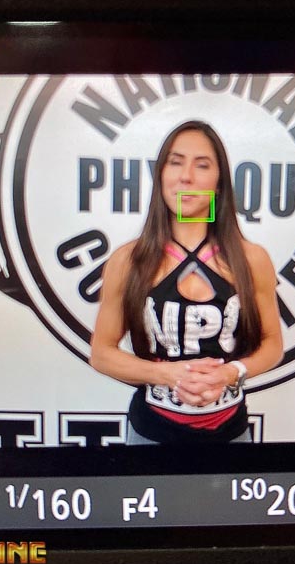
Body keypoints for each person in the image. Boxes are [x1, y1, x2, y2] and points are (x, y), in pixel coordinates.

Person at [90, 120, 283, 444]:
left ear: (219, 183)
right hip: (151, 435)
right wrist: (165, 374)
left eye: (202, 165)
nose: (186, 176)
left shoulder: (252, 259)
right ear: (161, 175)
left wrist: (231, 373)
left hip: (230, 434)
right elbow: (101, 353)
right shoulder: (128, 261)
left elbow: (273, 345)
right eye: (175, 162)